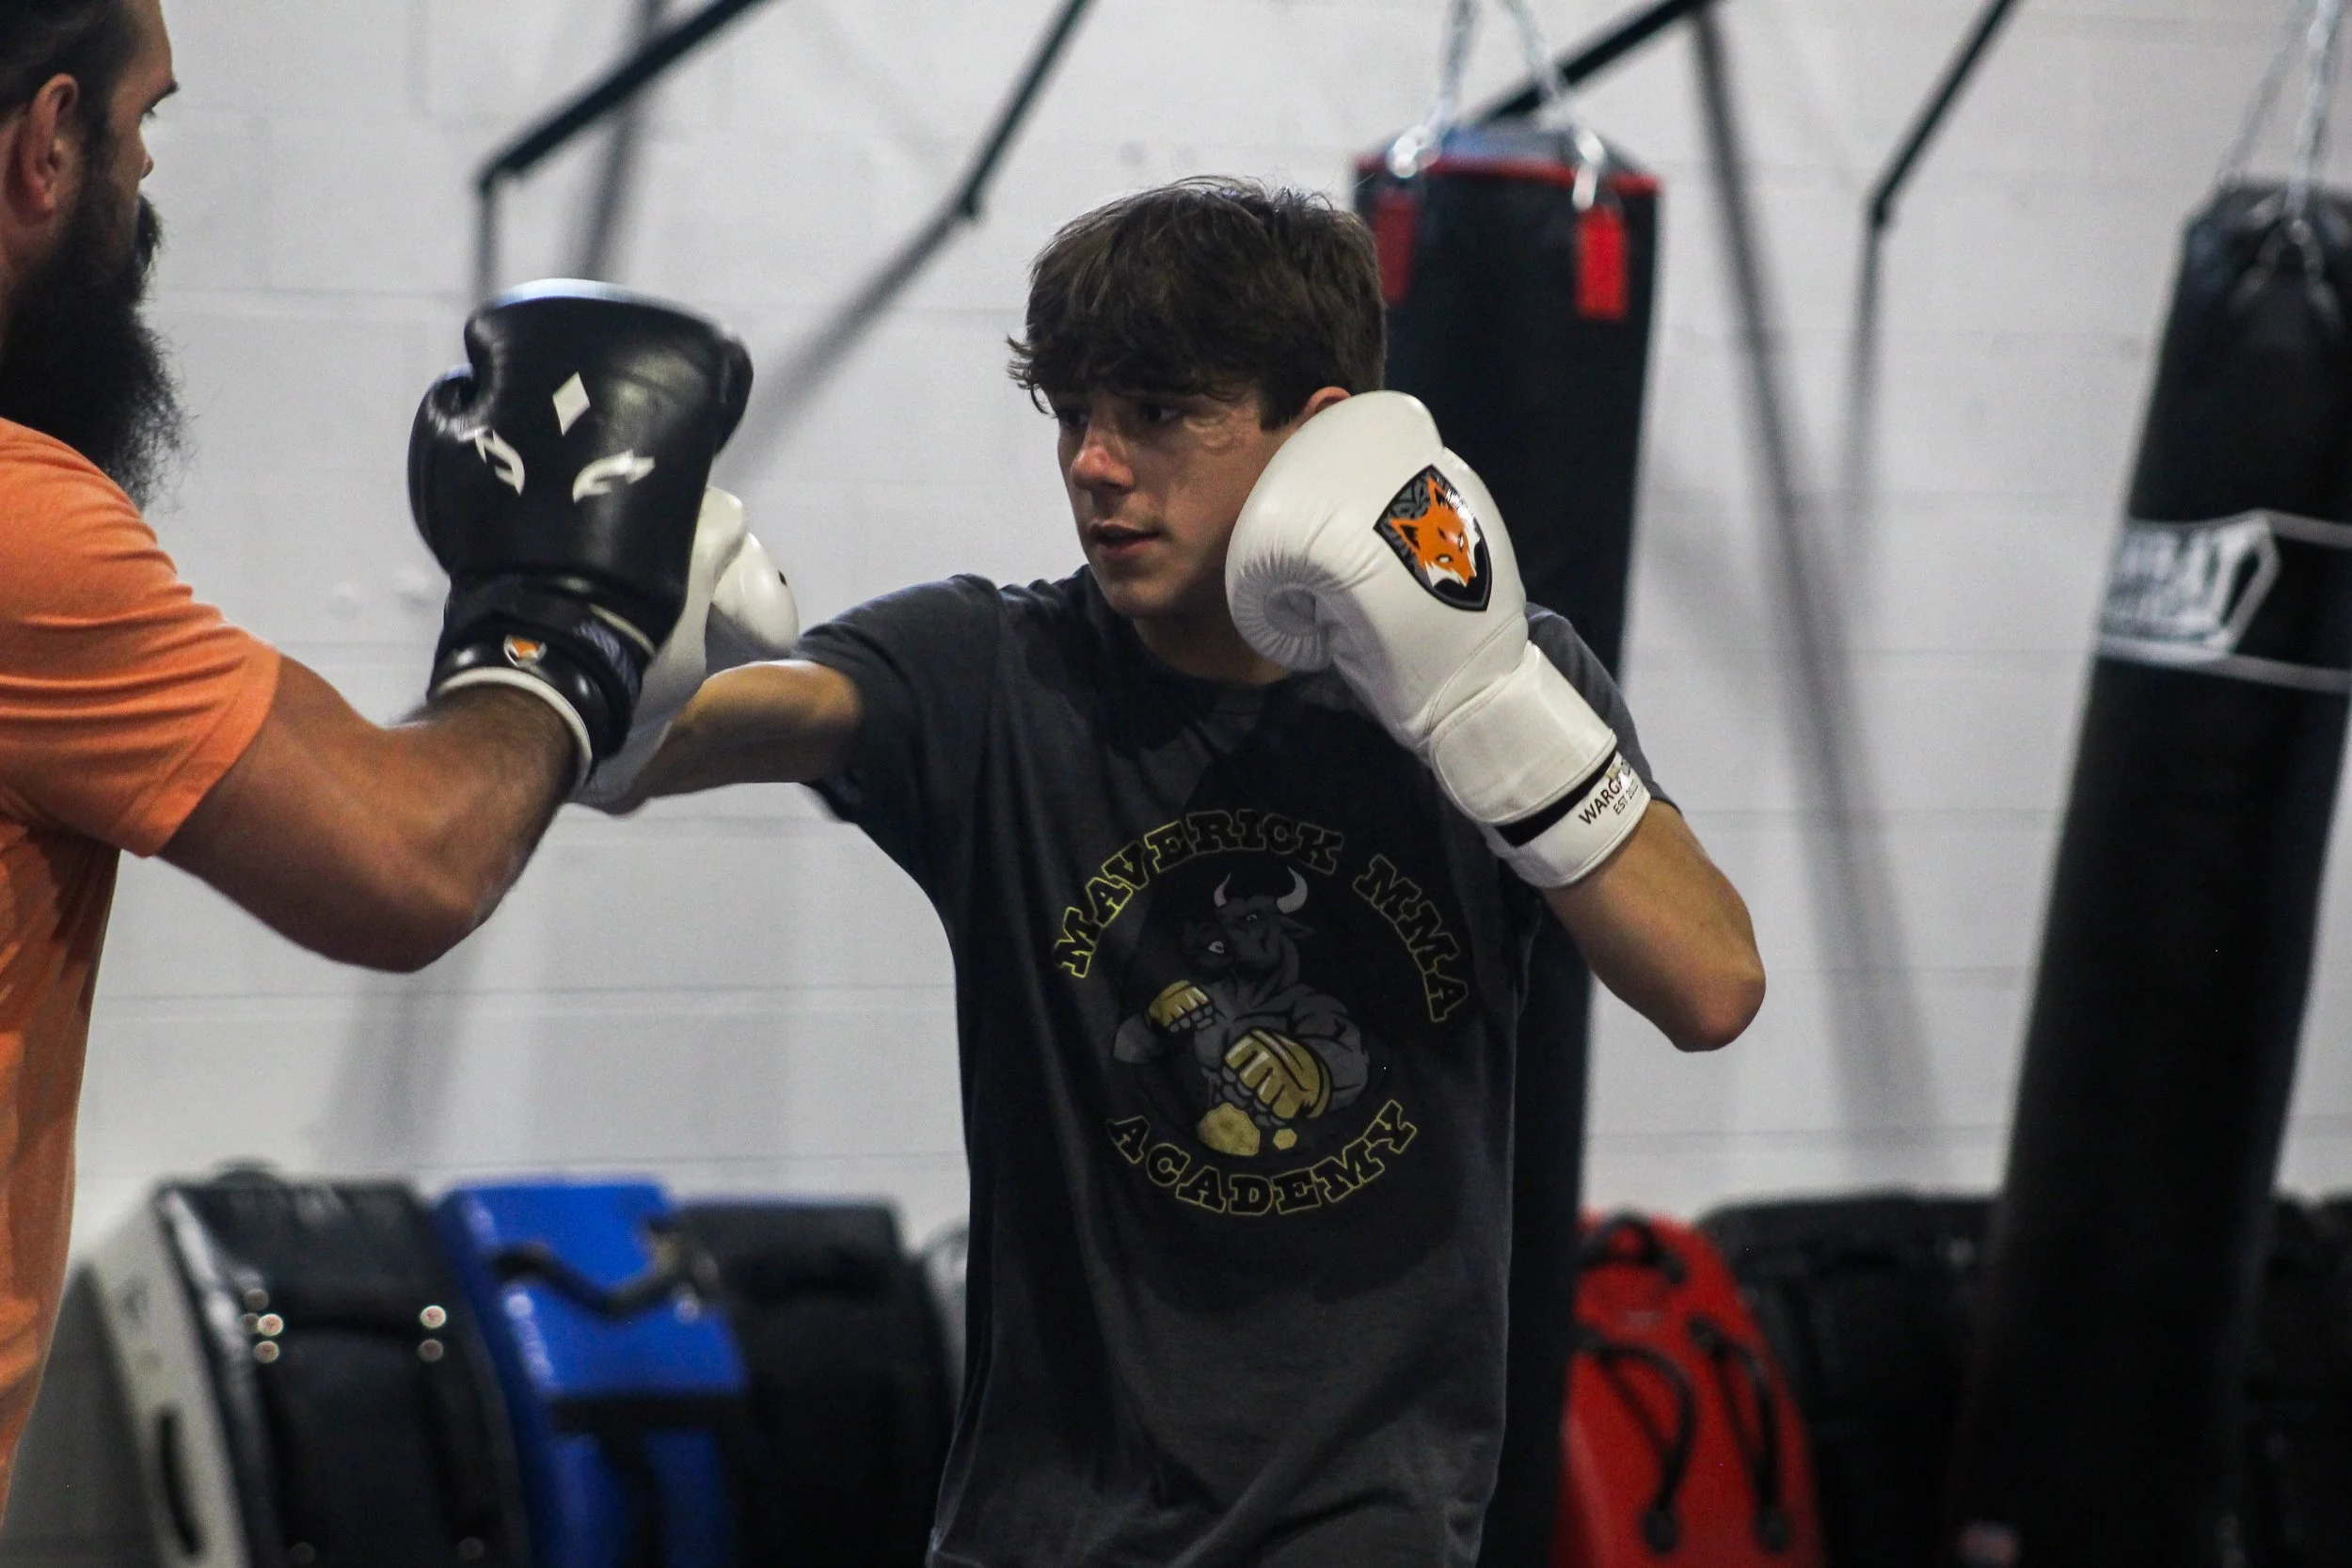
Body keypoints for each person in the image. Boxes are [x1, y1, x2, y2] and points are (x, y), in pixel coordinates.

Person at [621, 179, 1765, 1565]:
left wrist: (1490, 702)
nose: (1096, 464)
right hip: (1035, 1533)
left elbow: (1710, 984)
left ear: (1317, 437)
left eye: (1161, 414)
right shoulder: (996, 675)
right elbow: (732, 729)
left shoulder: (1508, 672)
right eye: (1073, 414)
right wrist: (593, 650)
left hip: (1362, 1532)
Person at [0, 0, 791, 1501]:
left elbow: (385, 786)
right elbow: (406, 857)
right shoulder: (18, 530)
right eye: (142, 125)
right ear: (49, 143)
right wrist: (574, 627)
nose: (149, 180)